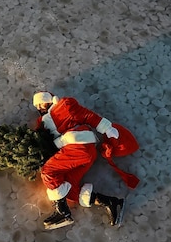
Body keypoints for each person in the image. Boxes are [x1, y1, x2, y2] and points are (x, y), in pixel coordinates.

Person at [32, 91, 126, 230]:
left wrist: (107, 128)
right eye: (37, 105)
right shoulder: (42, 124)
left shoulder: (64, 106)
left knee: (48, 171)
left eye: (42, 102)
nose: (39, 107)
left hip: (78, 145)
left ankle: (63, 213)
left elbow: (87, 115)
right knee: (68, 189)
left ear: (50, 99)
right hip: (79, 153)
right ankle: (112, 202)